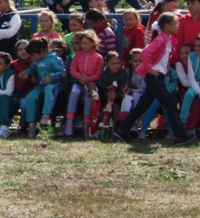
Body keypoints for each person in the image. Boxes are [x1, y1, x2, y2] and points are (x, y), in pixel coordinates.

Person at [115, 14, 196, 145]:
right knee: (170, 103)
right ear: (167, 26)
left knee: (143, 105)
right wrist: (150, 69)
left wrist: (165, 67)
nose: (178, 26)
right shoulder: (161, 39)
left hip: (157, 76)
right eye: (175, 24)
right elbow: (145, 53)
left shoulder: (168, 39)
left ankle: (121, 130)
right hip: (154, 77)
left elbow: (162, 57)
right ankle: (180, 136)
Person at [22, 37, 66, 137]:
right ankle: (31, 124)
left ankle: (46, 115)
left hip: (55, 85)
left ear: (42, 51)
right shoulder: (37, 60)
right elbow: (32, 68)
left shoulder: (54, 59)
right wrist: (26, 73)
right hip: (41, 85)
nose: (33, 58)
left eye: (34, 55)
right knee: (30, 96)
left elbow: (63, 72)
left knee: (49, 88)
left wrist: (52, 77)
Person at [63, 31, 103, 137]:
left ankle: (86, 125)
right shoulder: (77, 55)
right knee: (74, 92)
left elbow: (98, 74)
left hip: (90, 84)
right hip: (79, 83)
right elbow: (73, 70)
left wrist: (88, 79)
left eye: (86, 43)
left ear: (93, 43)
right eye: (82, 43)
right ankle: (69, 122)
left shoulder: (98, 57)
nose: (83, 46)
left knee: (88, 98)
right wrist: (80, 77)